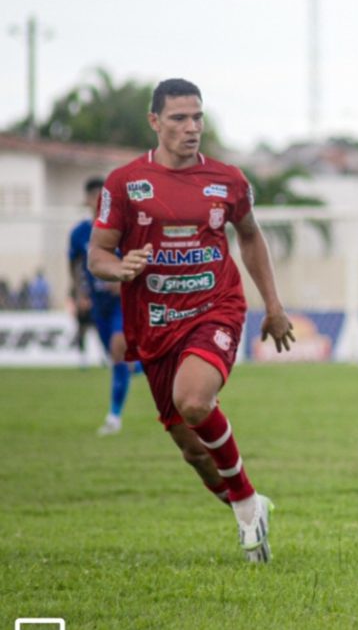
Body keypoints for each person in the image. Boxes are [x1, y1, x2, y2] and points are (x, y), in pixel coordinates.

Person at [88, 78, 295, 563]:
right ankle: (248, 503)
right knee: (194, 452)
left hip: (215, 309)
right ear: (154, 122)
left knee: (195, 401)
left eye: (197, 116)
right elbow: (97, 253)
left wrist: (274, 305)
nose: (191, 127)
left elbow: (250, 238)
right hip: (155, 323)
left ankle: (245, 507)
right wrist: (119, 268)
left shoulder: (228, 180)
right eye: (179, 117)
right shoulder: (124, 183)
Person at [69, 177, 137, 434]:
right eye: (94, 196)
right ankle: (140, 364)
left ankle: (114, 416)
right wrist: (79, 294)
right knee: (116, 357)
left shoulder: (124, 228)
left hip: (123, 301)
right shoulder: (79, 233)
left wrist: (125, 280)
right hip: (98, 304)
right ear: (87, 200)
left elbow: (139, 259)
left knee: (118, 349)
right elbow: (76, 266)